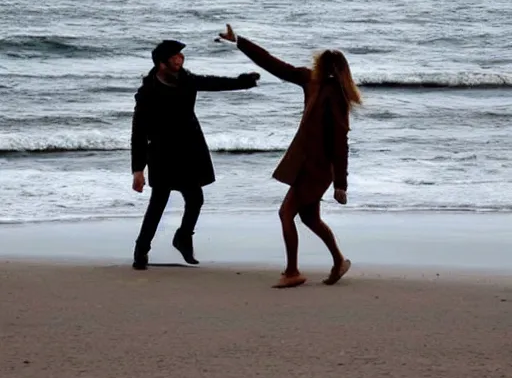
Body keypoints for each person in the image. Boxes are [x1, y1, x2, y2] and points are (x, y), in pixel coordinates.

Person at [218, 24, 362, 288]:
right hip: (307, 165)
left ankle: (293, 271)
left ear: (325, 67)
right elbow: (275, 65)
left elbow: (340, 144)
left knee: (286, 213)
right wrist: (240, 42)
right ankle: (339, 261)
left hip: (317, 169)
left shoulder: (334, 97)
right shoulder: (311, 81)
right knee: (309, 218)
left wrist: (341, 184)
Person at [130, 39, 260, 270]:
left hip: (189, 149)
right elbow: (138, 132)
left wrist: (243, 82)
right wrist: (138, 170)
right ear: (162, 63)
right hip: (161, 152)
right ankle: (141, 250)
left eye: (181, 56)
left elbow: (212, 83)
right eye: (175, 57)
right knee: (158, 202)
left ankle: (183, 237)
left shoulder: (186, 80)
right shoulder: (148, 92)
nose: (180, 60)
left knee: (195, 198)